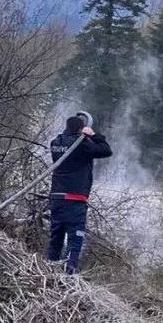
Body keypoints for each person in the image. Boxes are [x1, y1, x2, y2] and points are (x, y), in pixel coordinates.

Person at [47, 112, 112, 274]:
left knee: (55, 240)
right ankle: (68, 278)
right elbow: (106, 151)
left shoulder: (56, 143)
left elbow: (63, 141)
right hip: (74, 200)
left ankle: (47, 274)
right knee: (74, 242)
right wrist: (94, 135)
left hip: (56, 199)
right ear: (82, 129)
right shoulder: (81, 145)